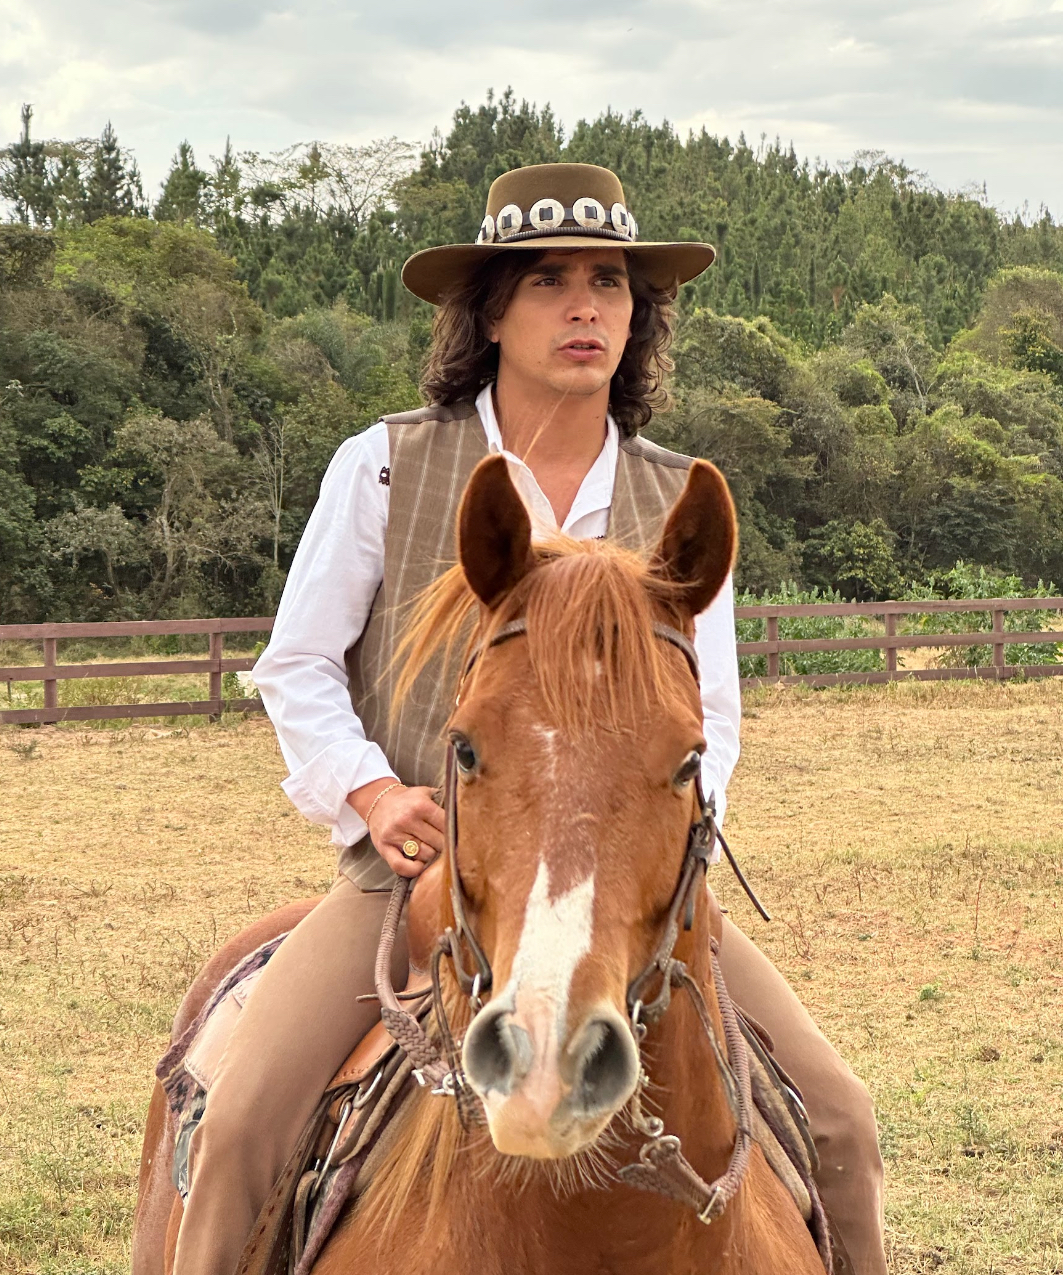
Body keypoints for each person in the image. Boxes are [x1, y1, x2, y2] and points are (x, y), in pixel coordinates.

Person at [174, 164, 886, 1275]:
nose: (586, 306)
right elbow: (299, 663)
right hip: (412, 884)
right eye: (549, 280)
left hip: (635, 895)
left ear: (637, 316)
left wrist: (649, 853)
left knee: (842, 1125)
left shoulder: (677, 500)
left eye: (610, 282)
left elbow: (713, 718)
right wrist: (374, 792)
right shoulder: (385, 467)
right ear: (492, 313)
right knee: (239, 1129)